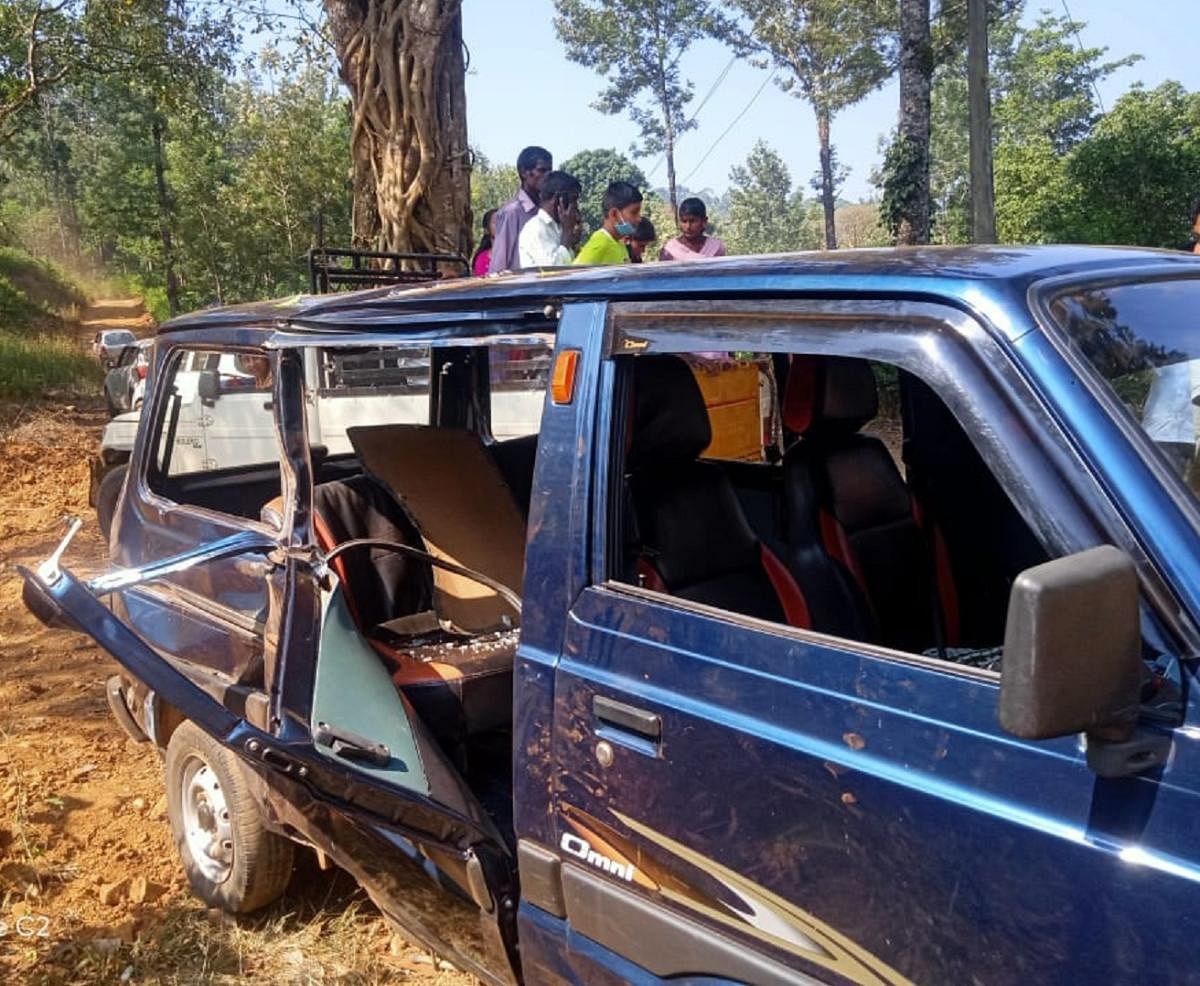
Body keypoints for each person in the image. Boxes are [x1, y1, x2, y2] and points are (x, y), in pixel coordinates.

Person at [488, 146, 552, 273]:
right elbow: (498, 264)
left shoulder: (546, 210)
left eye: (550, 171)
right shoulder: (512, 212)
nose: (547, 176)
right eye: (542, 170)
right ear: (524, 172)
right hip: (519, 288)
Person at [518, 170, 582, 268]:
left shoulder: (558, 227)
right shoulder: (536, 228)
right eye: (573, 199)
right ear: (558, 199)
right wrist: (567, 233)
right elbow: (552, 271)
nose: (575, 205)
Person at [574, 181, 643, 266]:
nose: (639, 218)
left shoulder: (619, 243)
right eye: (634, 212)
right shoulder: (600, 244)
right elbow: (573, 274)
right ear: (614, 214)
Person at [659, 197, 726, 261]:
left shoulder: (715, 247)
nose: (688, 226)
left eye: (693, 221)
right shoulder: (670, 250)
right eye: (684, 221)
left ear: (704, 221)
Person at [471, 209, 498, 276]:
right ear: (487, 230)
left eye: (503, 221)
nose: (500, 225)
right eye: (495, 222)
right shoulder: (482, 258)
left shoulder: (517, 253)